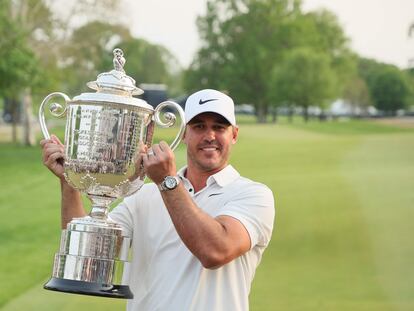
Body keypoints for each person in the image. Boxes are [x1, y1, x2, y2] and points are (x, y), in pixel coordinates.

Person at [41, 89, 275, 311]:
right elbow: (88, 254)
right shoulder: (143, 196)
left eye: (219, 127)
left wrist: (167, 181)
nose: (209, 136)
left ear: (234, 134)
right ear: (184, 133)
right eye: (199, 126)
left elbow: (214, 251)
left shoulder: (253, 195)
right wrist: (69, 182)